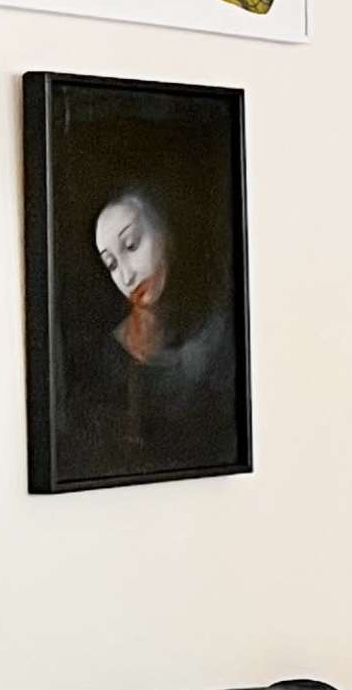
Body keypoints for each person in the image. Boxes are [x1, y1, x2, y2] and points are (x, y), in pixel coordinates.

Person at [68, 182, 241, 477]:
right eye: (111, 264)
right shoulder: (108, 360)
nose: (127, 276)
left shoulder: (221, 332)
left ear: (165, 229)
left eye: (132, 245)